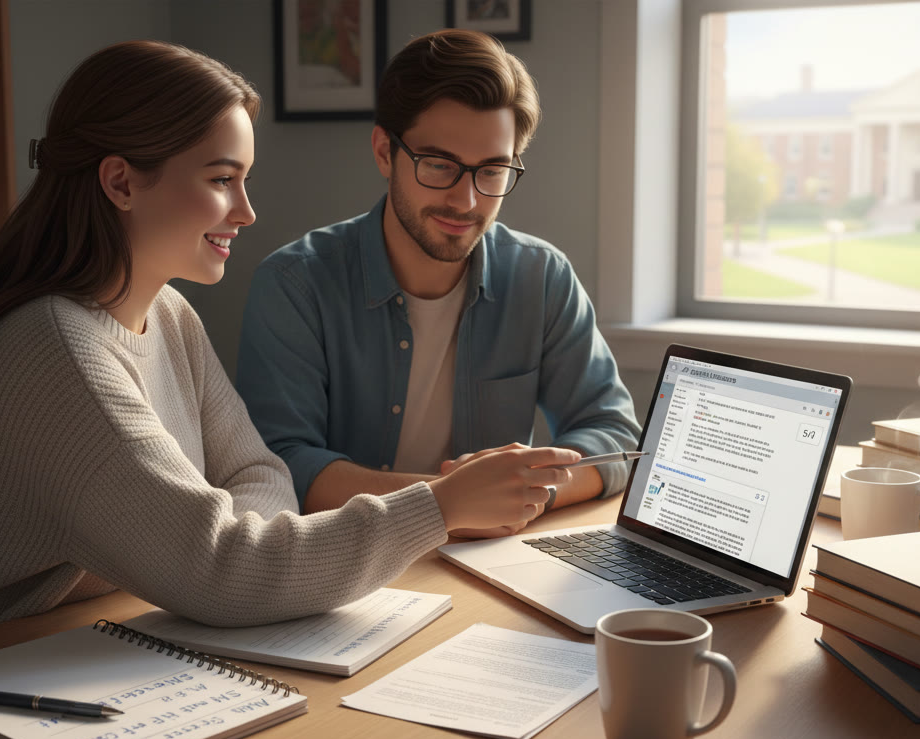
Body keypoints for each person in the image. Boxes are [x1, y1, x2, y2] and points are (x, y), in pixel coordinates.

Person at [0, 40, 576, 658]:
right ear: (120, 181)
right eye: (220, 179)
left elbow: (258, 471)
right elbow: (223, 568)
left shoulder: (169, 315)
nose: (246, 210)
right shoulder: (56, 348)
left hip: (94, 636)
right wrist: (439, 506)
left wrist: (193, 547)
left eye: (245, 178)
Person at [235, 29, 639, 535]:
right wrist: (448, 504)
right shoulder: (295, 285)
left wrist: (521, 493)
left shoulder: (542, 276)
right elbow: (280, 464)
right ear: (385, 152)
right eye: (440, 165)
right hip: (347, 564)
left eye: (491, 171)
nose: (466, 201)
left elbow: (615, 436)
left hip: (492, 556)